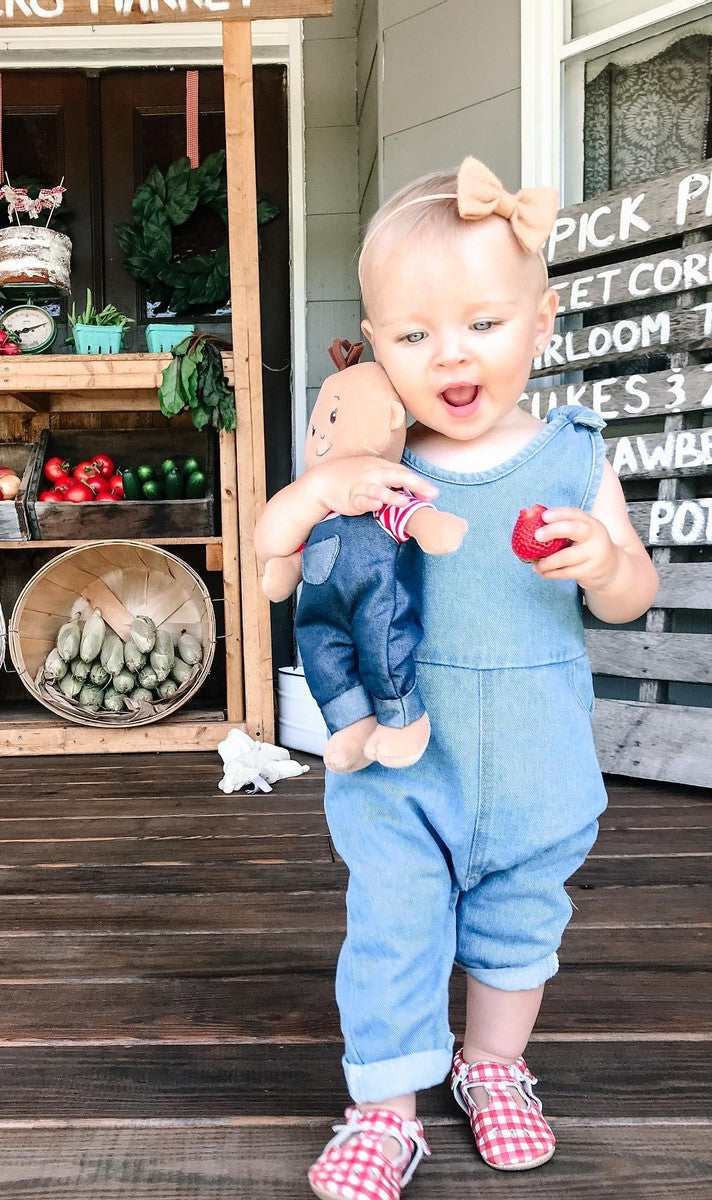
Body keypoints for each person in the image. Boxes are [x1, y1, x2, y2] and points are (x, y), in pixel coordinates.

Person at [253, 157, 659, 1200]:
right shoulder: (377, 466)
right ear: (377, 345)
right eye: (414, 334)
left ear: (542, 320)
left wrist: (607, 564)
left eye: (483, 322)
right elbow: (283, 566)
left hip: (536, 755)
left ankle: (493, 1068)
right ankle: (386, 1113)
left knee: (520, 925)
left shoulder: (574, 454)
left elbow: (629, 596)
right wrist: (321, 490)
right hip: (403, 761)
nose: (451, 357)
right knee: (394, 925)